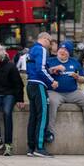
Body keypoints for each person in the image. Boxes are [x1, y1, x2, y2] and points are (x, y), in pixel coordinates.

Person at [47, 41, 84, 142]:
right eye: (61, 49)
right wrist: (54, 69)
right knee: (51, 102)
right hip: (55, 92)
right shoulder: (50, 61)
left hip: (72, 92)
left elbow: (83, 80)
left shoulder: (74, 62)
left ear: (69, 52)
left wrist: (77, 77)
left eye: (65, 50)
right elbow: (44, 72)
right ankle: (49, 132)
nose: (62, 51)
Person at [24, 30, 59, 158]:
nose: (50, 46)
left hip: (30, 84)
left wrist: (51, 71)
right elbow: (41, 69)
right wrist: (52, 81)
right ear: (45, 39)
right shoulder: (42, 50)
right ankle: (40, 147)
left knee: (33, 117)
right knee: (43, 115)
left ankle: (31, 147)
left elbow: (35, 67)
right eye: (50, 43)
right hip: (39, 85)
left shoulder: (31, 50)